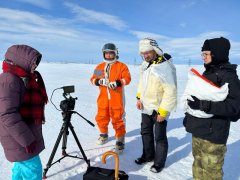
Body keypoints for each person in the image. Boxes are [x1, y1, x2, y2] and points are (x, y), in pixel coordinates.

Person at [183, 37, 240, 180]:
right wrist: (189, 116)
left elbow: (235, 107)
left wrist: (204, 105)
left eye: (206, 54)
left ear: (217, 53)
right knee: (198, 167)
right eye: (202, 54)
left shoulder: (229, 76)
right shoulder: (206, 73)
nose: (203, 57)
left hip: (214, 135)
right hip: (198, 130)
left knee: (211, 174)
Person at [0, 45, 48, 180]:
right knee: (33, 169)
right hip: (18, 137)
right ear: (21, 60)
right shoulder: (9, 80)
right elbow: (7, 114)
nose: (35, 66)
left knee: (21, 166)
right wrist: (26, 140)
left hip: (20, 135)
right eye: (33, 62)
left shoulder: (22, 77)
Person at [135, 38, 177, 173]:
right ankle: (148, 156)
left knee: (159, 136)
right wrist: (139, 98)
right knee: (145, 132)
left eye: (148, 53)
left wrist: (163, 111)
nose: (145, 56)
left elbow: (171, 90)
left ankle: (159, 163)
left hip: (159, 108)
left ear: (155, 51)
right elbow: (142, 82)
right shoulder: (145, 65)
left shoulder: (164, 66)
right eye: (143, 53)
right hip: (146, 106)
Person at [90, 43, 131, 154]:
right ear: (104, 54)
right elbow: (93, 79)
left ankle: (120, 141)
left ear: (115, 53)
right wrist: (99, 81)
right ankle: (103, 134)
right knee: (101, 116)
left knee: (118, 118)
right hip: (103, 98)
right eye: (106, 53)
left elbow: (127, 78)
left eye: (111, 53)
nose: (108, 55)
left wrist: (117, 83)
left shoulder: (121, 66)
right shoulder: (99, 67)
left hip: (117, 98)